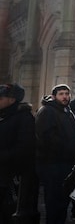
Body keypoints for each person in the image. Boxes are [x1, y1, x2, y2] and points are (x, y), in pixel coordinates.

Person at [35, 84, 75, 224]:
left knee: (62, 203)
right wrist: (67, 148)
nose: (65, 96)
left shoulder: (67, 112)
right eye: (61, 94)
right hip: (52, 165)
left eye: (67, 93)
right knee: (53, 203)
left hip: (66, 165)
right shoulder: (47, 111)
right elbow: (46, 138)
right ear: (54, 96)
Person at [0, 83, 37, 224]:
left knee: (8, 211)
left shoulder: (24, 118)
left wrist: (3, 156)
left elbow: (25, 147)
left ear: (12, 99)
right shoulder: (3, 115)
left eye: (1, 98)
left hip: (12, 176)